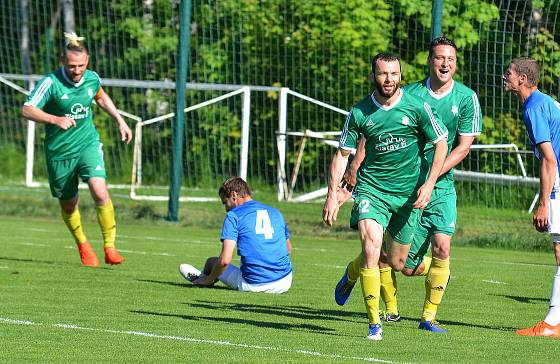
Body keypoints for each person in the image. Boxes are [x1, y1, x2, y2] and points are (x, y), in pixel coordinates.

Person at [334, 37, 482, 333]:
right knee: (394, 260)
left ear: (455, 63)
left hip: (439, 185)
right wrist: (352, 170)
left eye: (450, 59)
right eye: (439, 58)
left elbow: (463, 147)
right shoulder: (408, 94)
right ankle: (359, 275)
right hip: (404, 185)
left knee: (442, 246)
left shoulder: (466, 98)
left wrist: (433, 178)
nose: (444, 63)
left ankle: (428, 318)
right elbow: (370, 133)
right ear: (430, 61)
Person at [322, 52, 449, 341]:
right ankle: (374, 325)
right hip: (372, 191)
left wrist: (429, 184)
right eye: (383, 73)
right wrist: (332, 195)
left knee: (397, 263)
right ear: (373, 76)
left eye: (394, 73)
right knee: (370, 248)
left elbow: (441, 145)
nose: (389, 79)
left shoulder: (418, 106)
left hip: (407, 196)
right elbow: (343, 153)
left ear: (400, 75)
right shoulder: (360, 112)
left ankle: (352, 272)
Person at [21, 32, 131, 267]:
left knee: (100, 190)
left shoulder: (92, 78)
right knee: (69, 203)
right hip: (59, 153)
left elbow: (100, 96)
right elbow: (27, 109)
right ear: (63, 61)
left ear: (88, 60)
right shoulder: (50, 83)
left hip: (87, 144)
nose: (77, 70)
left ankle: (110, 247)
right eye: (72, 66)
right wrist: (54, 119)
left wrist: (120, 120)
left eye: (81, 65)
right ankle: (82, 243)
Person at [503, 58, 560, 337]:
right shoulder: (548, 102)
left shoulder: (535, 108)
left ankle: (551, 324)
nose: (504, 77)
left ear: (522, 80)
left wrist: (543, 204)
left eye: (509, 74)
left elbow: (549, 160)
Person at [179, 177, 293, 294]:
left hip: (253, 285)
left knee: (212, 262)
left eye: (225, 202)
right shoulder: (276, 212)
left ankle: (204, 279)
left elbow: (224, 261)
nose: (226, 209)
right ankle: (205, 277)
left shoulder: (234, 216)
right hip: (285, 282)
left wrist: (208, 280)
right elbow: (288, 249)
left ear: (234, 195)